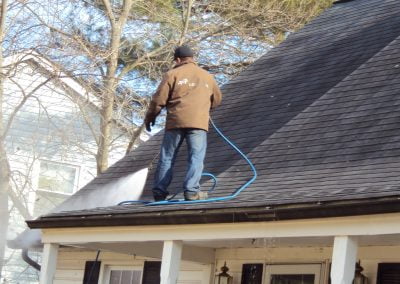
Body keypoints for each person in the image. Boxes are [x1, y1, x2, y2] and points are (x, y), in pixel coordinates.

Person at [144, 45, 223, 201]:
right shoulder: (207, 76)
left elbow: (158, 100)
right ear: (192, 59)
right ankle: (191, 191)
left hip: (176, 122)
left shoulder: (172, 74)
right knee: (196, 157)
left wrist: (150, 118)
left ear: (178, 59)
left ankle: (160, 192)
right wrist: (203, 109)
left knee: (167, 157)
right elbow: (218, 98)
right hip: (198, 124)